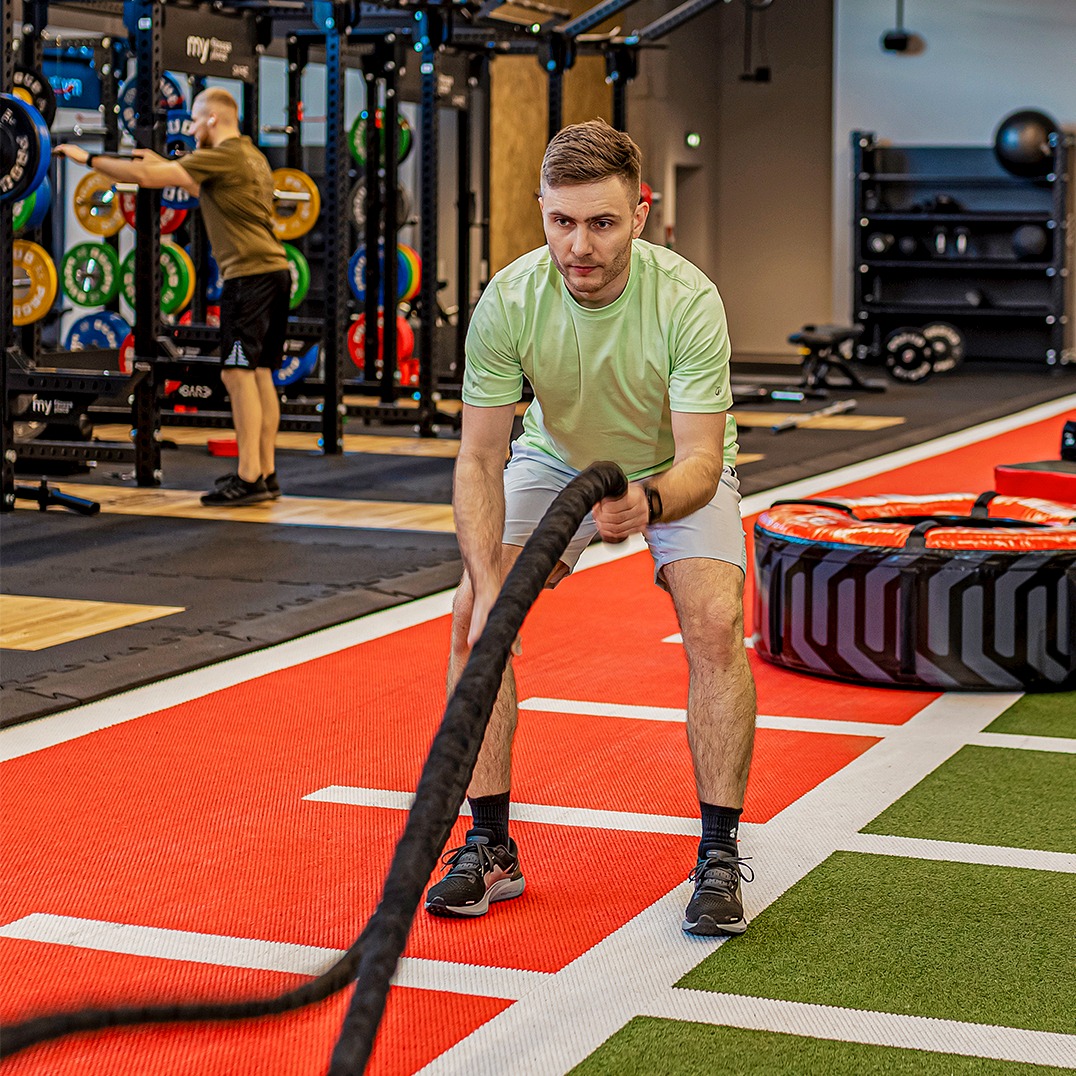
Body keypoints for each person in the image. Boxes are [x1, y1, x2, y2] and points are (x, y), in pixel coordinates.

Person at [425, 119, 758, 937]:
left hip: (671, 472)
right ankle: (491, 846)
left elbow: (701, 457)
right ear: (541, 210)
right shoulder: (510, 300)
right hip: (556, 460)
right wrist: (487, 578)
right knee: (473, 621)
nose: (580, 246)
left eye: (603, 223)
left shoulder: (687, 299)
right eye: (562, 221)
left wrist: (649, 502)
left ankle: (719, 852)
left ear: (640, 214)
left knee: (715, 621)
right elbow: (479, 458)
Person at [55, 87, 290, 506]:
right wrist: (161, 163)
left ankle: (249, 477)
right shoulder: (250, 156)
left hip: (248, 278)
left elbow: (149, 180)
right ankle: (265, 473)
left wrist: (86, 159)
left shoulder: (223, 154)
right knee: (259, 375)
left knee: (237, 375)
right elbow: (198, 186)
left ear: (213, 119)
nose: (193, 128)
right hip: (275, 272)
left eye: (196, 120)